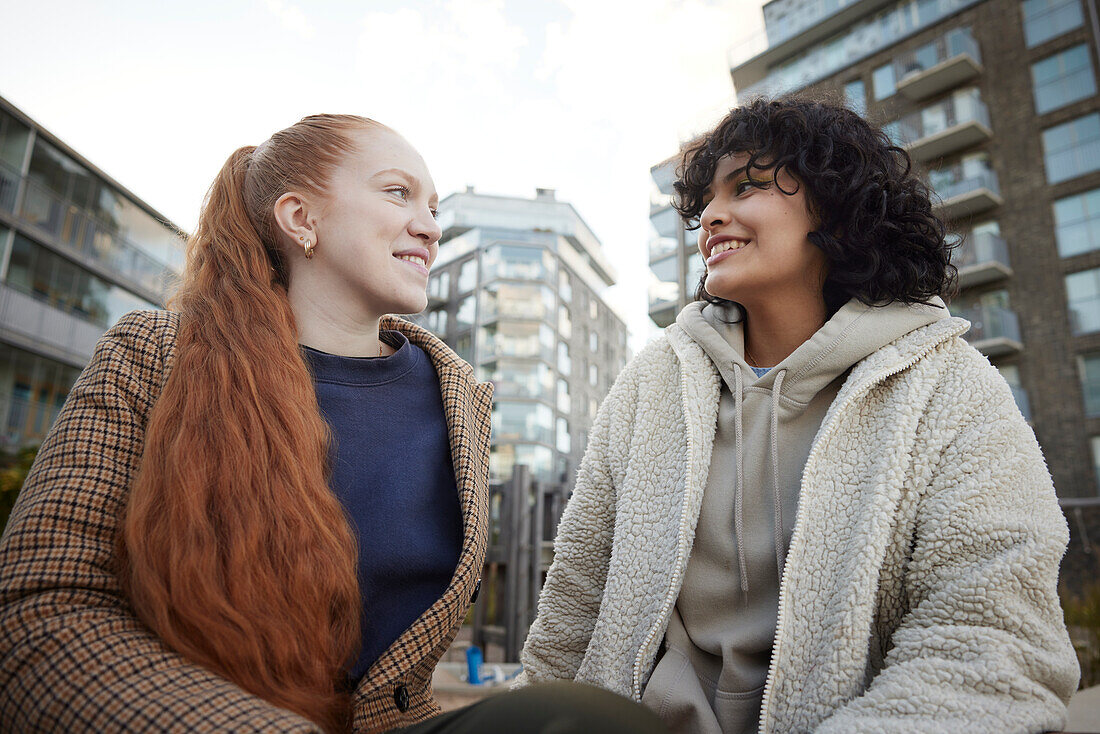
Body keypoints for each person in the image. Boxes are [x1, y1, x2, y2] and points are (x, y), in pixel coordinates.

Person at [0, 115, 667, 734]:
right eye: (399, 194)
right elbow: (40, 612)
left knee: (589, 722)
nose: (430, 227)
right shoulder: (154, 354)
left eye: (433, 208)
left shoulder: (460, 399)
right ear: (300, 218)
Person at [517, 97, 1081, 733]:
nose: (711, 215)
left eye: (748, 186)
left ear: (837, 210)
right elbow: (573, 611)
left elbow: (991, 644)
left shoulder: (950, 388)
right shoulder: (650, 385)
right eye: (706, 201)